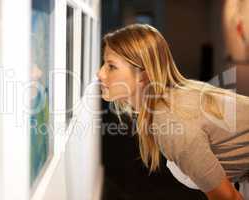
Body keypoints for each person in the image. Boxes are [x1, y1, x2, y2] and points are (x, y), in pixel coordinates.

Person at [97, 23, 249, 200]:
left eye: (111, 66)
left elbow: (228, 198)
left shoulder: (171, 119)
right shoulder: (173, 97)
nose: (100, 73)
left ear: (143, 75)